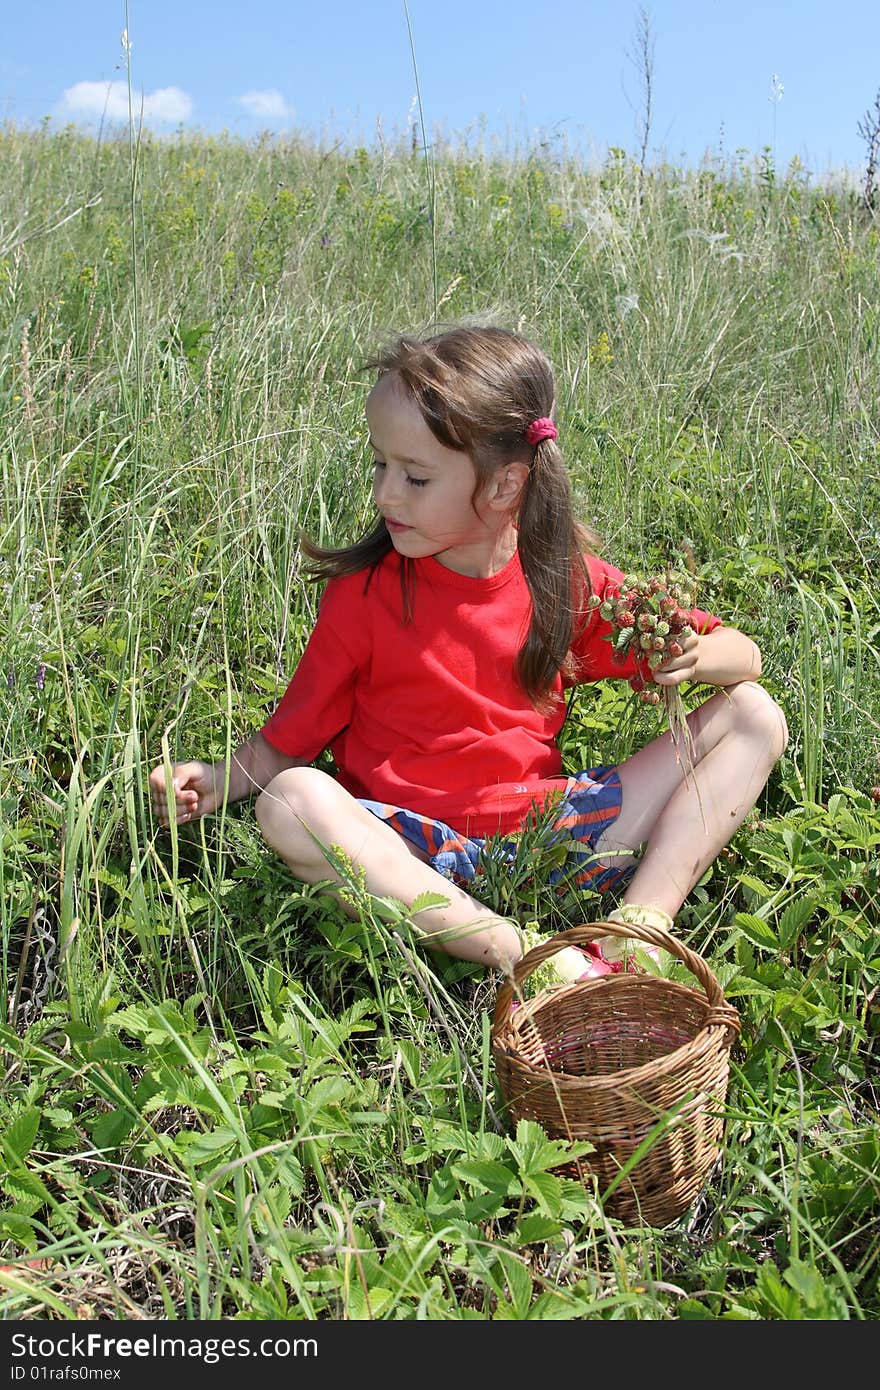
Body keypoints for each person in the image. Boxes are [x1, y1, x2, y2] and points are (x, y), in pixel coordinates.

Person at [149, 325, 788, 981]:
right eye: (381, 465)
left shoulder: (562, 580)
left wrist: (693, 657)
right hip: (409, 852)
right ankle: (531, 959)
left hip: (549, 836)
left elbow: (742, 653)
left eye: (415, 477)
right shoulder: (363, 597)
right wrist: (218, 779)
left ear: (507, 485)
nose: (384, 494)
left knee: (753, 716)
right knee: (289, 802)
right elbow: (290, 742)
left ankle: (638, 927)